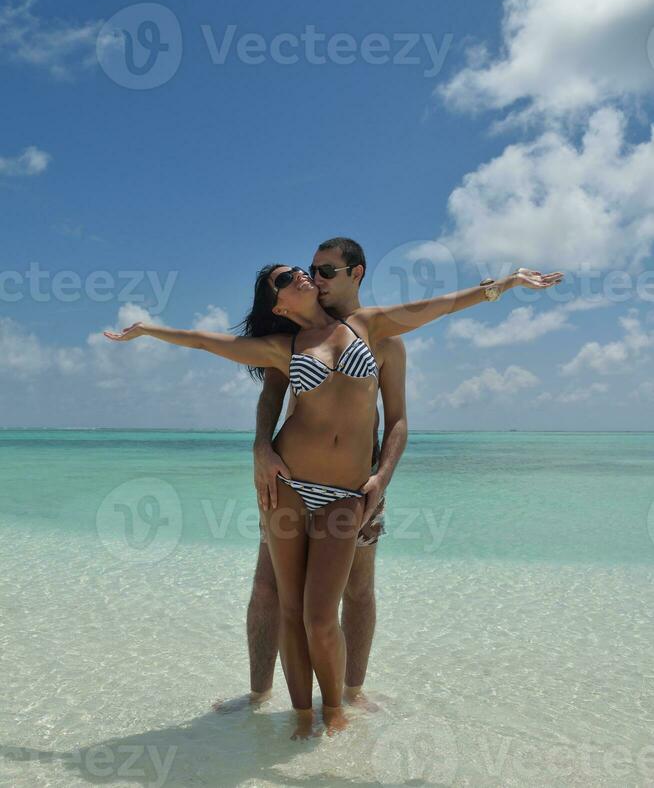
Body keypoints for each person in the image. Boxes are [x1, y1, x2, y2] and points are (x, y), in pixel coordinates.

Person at [103, 263, 563, 737]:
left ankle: (336, 706)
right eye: (284, 279)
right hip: (288, 486)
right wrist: (149, 330)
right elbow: (204, 341)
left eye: (299, 271)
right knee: (289, 609)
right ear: (278, 305)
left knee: (321, 617)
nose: (299, 276)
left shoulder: (366, 325)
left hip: (346, 493)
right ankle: (303, 716)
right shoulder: (282, 348)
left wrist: (505, 285)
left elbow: (439, 307)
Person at [243, 238, 407, 714]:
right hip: (289, 477)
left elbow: (396, 418)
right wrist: (259, 446)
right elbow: (272, 395)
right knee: (267, 587)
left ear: (356, 273)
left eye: (326, 272)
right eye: (311, 270)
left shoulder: (382, 336)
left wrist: (384, 477)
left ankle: (351, 694)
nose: (315, 279)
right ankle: (258, 697)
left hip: (358, 485)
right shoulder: (299, 334)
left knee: (357, 588)